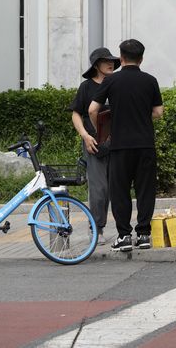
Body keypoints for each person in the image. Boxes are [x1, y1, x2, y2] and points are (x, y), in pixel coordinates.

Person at [89, 39, 163, 252]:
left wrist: (101, 131)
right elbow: (158, 112)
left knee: (120, 191)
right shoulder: (150, 80)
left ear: (121, 58)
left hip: (119, 146)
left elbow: (94, 110)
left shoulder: (111, 81)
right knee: (145, 190)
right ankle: (143, 235)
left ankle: (124, 236)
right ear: (141, 58)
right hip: (145, 144)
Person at [69, 47, 120, 245]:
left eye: (112, 61)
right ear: (96, 65)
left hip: (118, 143)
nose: (110, 64)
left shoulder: (117, 84)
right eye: (105, 61)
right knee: (99, 190)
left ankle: (123, 230)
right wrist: (85, 136)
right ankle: (96, 228)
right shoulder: (86, 87)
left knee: (116, 190)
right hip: (94, 144)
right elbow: (76, 114)